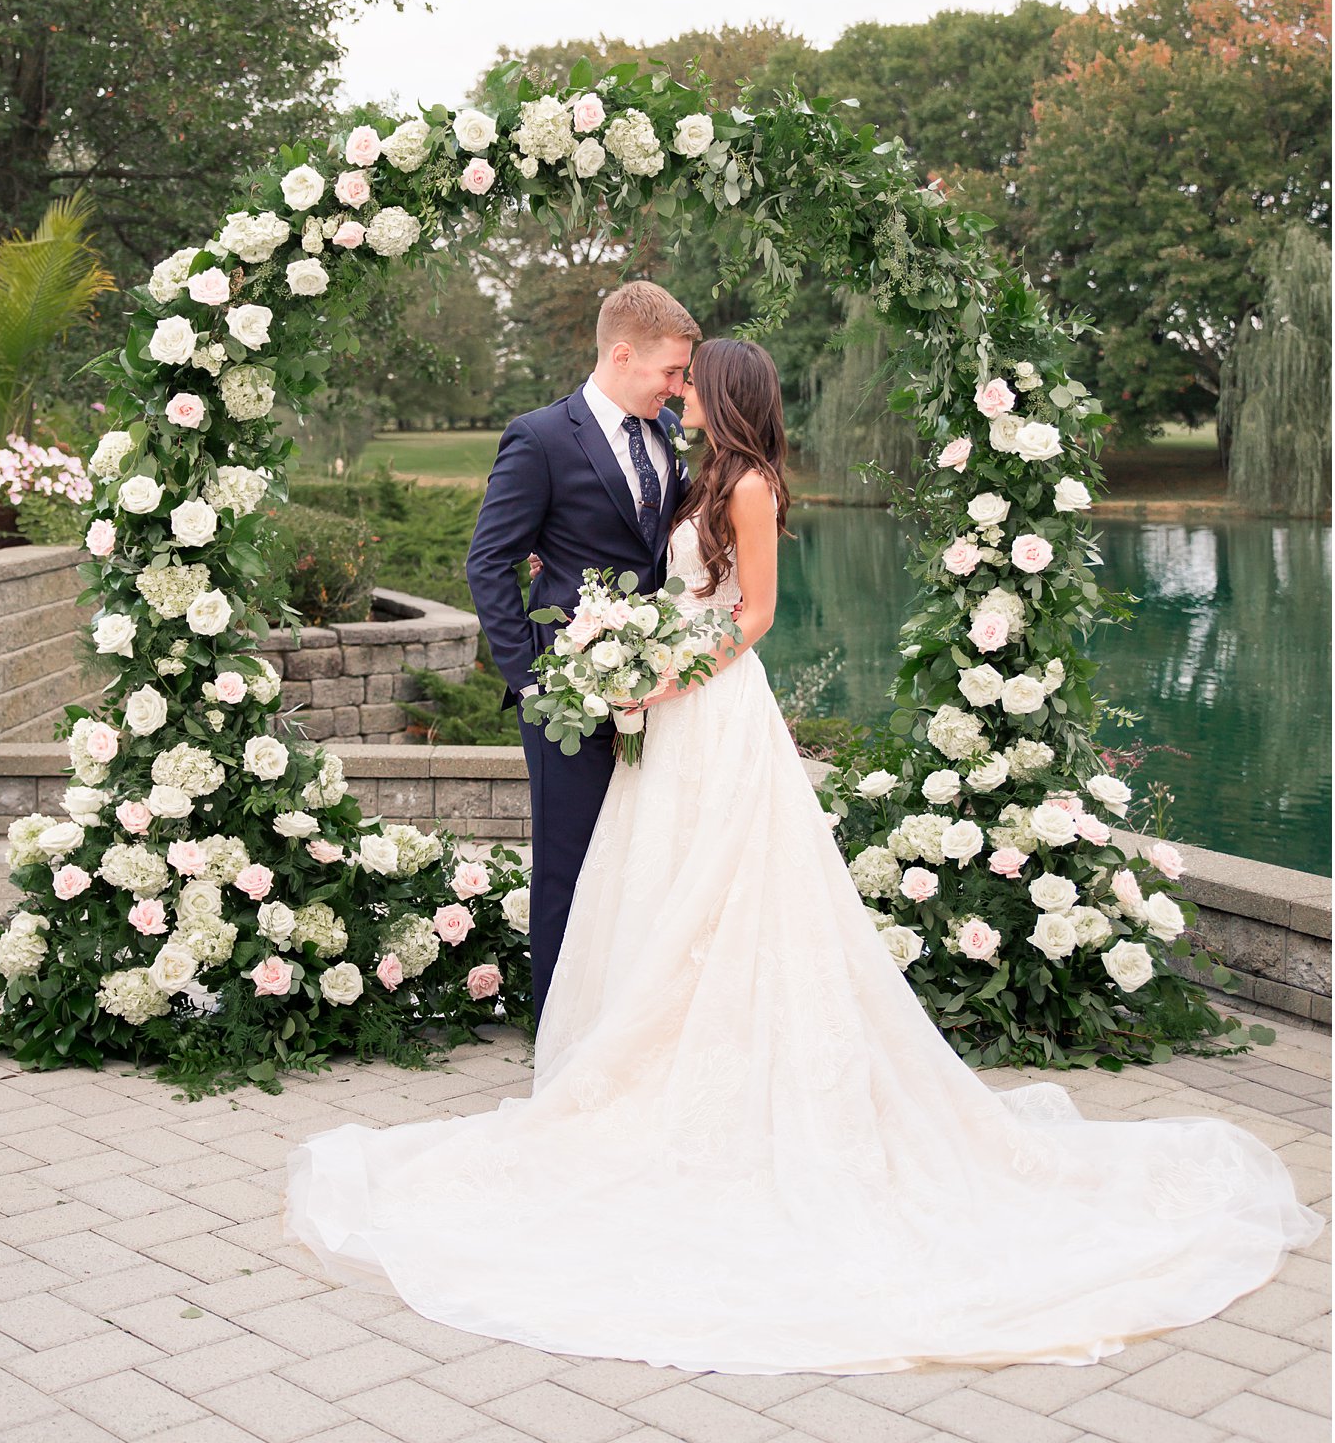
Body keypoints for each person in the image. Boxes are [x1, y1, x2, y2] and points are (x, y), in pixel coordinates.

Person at [287, 337, 1319, 1375]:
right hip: (671, 711)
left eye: (691, 380)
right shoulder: (697, 470)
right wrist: (623, 650)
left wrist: (662, 675)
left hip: (709, 709)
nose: (675, 391)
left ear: (722, 394)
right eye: (671, 373)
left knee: (735, 888)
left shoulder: (745, 484)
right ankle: (629, 1055)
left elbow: (757, 614)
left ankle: (727, 1074)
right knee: (662, 885)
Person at [463, 278, 700, 1025]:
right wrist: (532, 678)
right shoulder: (538, 437)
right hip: (568, 694)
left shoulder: (662, 436)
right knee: (569, 867)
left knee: (641, 864)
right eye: (670, 372)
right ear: (622, 353)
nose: (679, 386)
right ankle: (559, 1041)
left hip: (657, 694)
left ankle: (627, 1030)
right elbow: (488, 561)